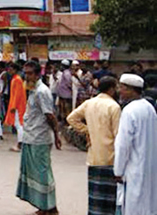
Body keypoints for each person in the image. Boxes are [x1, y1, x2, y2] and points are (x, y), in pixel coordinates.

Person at [66, 76, 120, 215]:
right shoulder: (114, 107)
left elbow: (71, 118)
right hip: (110, 158)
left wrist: (87, 130)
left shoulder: (89, 103)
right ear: (112, 89)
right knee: (109, 200)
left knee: (95, 199)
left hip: (93, 157)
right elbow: (118, 135)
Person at [16, 61, 61, 215]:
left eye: (29, 73)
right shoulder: (33, 90)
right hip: (31, 136)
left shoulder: (42, 91)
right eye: (25, 73)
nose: (26, 76)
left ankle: (52, 207)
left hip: (40, 138)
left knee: (43, 173)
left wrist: (56, 135)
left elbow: (50, 115)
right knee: (34, 173)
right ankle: (43, 206)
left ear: (37, 74)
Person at [113, 73, 157, 215]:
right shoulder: (149, 108)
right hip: (149, 167)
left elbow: (123, 144)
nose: (119, 91)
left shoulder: (129, 110)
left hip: (134, 168)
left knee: (133, 206)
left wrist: (118, 170)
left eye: (122, 88)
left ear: (131, 90)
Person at [5, 63, 26, 152]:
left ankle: (20, 144)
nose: (9, 71)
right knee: (19, 124)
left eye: (10, 69)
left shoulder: (17, 80)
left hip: (18, 106)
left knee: (19, 124)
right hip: (17, 105)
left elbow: (17, 95)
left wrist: (13, 106)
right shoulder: (15, 79)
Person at [57, 60, 74, 124]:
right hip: (63, 93)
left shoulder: (66, 73)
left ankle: (67, 121)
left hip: (66, 94)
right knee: (63, 107)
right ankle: (64, 119)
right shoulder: (64, 72)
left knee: (66, 107)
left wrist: (70, 89)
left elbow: (69, 83)